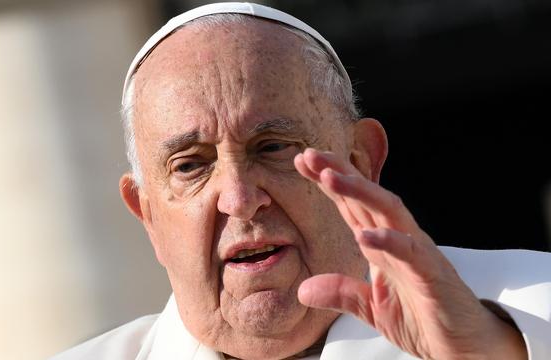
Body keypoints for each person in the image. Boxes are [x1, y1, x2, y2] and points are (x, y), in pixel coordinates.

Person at [52, 3, 551, 359]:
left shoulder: (535, 309)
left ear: (360, 160)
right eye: (190, 165)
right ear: (147, 215)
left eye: (271, 148)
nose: (240, 199)